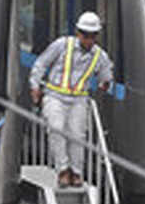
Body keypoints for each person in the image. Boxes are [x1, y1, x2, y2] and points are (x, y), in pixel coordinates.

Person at [29, 12, 114, 187]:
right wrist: (35, 86)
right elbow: (41, 63)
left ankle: (76, 172)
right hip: (54, 95)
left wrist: (105, 83)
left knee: (77, 135)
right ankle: (63, 170)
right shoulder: (61, 45)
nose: (88, 40)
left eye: (92, 36)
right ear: (77, 32)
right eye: (85, 35)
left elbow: (106, 77)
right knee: (56, 128)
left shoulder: (100, 56)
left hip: (79, 99)